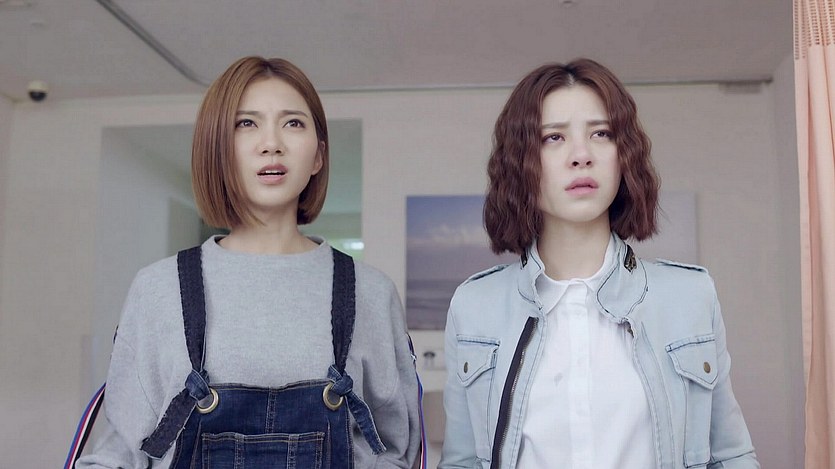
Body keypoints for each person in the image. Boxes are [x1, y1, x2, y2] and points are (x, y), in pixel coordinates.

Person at [75, 56, 421, 468]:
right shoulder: (158, 289)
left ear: (318, 156)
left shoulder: (371, 293)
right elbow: (121, 452)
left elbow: (395, 452)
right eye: (246, 123)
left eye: (293, 123)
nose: (271, 143)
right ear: (217, 150)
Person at [439, 59, 758, 469]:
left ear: (623, 155)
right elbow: (461, 461)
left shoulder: (691, 296)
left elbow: (731, 455)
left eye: (601, 133)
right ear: (521, 162)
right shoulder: (473, 306)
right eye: (553, 137)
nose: (581, 155)